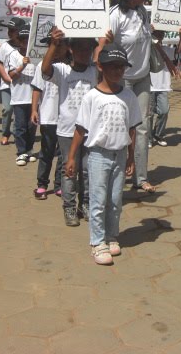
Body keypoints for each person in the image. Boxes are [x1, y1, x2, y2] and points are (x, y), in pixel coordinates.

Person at [99, 0, 177, 193]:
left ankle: (141, 177)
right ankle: (116, 172)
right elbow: (103, 48)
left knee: (142, 127)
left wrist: (164, 57)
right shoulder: (115, 15)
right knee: (119, 127)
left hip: (143, 78)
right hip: (120, 81)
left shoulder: (143, 12)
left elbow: (147, 41)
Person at [67, 46, 141, 265]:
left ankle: (111, 236)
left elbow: (132, 129)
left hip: (119, 154)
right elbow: (80, 129)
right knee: (98, 200)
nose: (118, 71)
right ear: (100, 66)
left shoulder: (128, 96)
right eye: (113, 66)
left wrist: (130, 157)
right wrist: (71, 157)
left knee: (115, 200)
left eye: (121, 67)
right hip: (98, 155)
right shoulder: (92, 97)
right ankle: (97, 242)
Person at [42, 28, 98, 227]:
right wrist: (54, 44)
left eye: (88, 48)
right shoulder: (63, 70)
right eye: (80, 48)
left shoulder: (94, 71)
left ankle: (86, 204)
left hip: (90, 130)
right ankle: (69, 207)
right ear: (71, 49)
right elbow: (44, 69)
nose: (84, 52)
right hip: (67, 130)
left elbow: (105, 61)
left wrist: (106, 42)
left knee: (87, 170)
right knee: (70, 169)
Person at [31, 35, 67, 199]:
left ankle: (59, 184)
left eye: (60, 46)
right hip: (48, 117)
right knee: (46, 152)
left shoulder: (69, 67)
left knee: (62, 154)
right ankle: (42, 184)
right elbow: (37, 89)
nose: (57, 50)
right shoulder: (42, 66)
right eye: (54, 46)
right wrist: (34, 110)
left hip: (65, 119)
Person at [6, 25, 37, 166]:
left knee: (32, 126)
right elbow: (11, 75)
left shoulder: (36, 55)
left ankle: (29, 150)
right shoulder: (13, 55)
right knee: (20, 126)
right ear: (18, 40)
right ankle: (21, 152)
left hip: (34, 98)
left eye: (27, 39)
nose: (25, 42)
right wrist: (22, 66)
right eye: (22, 39)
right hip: (19, 97)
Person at [149, 27, 181, 147]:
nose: (159, 35)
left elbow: (179, 51)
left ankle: (158, 134)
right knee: (149, 114)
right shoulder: (147, 49)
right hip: (150, 86)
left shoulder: (167, 49)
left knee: (164, 111)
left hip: (163, 86)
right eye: (157, 33)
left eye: (161, 33)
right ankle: (148, 138)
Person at [0, 17, 25, 146]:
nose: (10, 32)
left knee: (20, 112)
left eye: (13, 30)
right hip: (7, 84)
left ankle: (18, 133)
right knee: (7, 109)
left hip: (22, 86)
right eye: (9, 30)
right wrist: (5, 77)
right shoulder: (5, 46)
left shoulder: (26, 47)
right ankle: (5, 133)